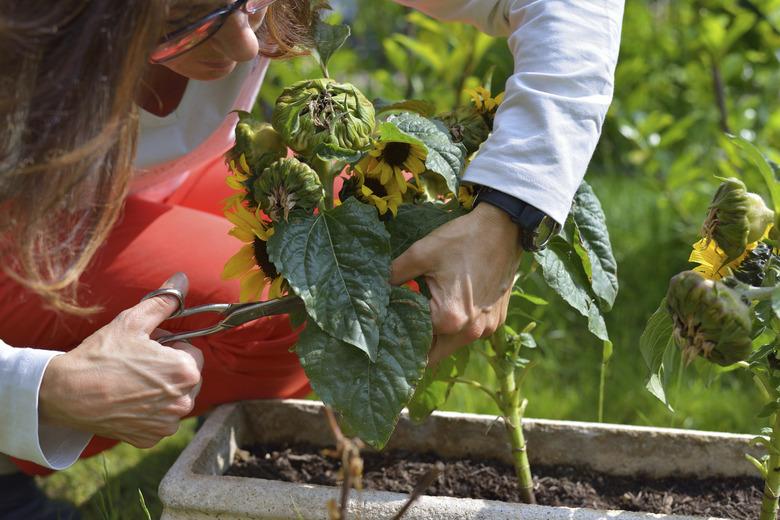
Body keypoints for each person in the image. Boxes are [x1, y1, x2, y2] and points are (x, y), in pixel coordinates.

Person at [0, 0, 623, 517]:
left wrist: (510, 205)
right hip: (26, 215)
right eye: (188, 17)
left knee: (370, 261)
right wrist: (42, 390)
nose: (247, 44)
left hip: (131, 183)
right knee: (293, 307)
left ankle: (221, 430)